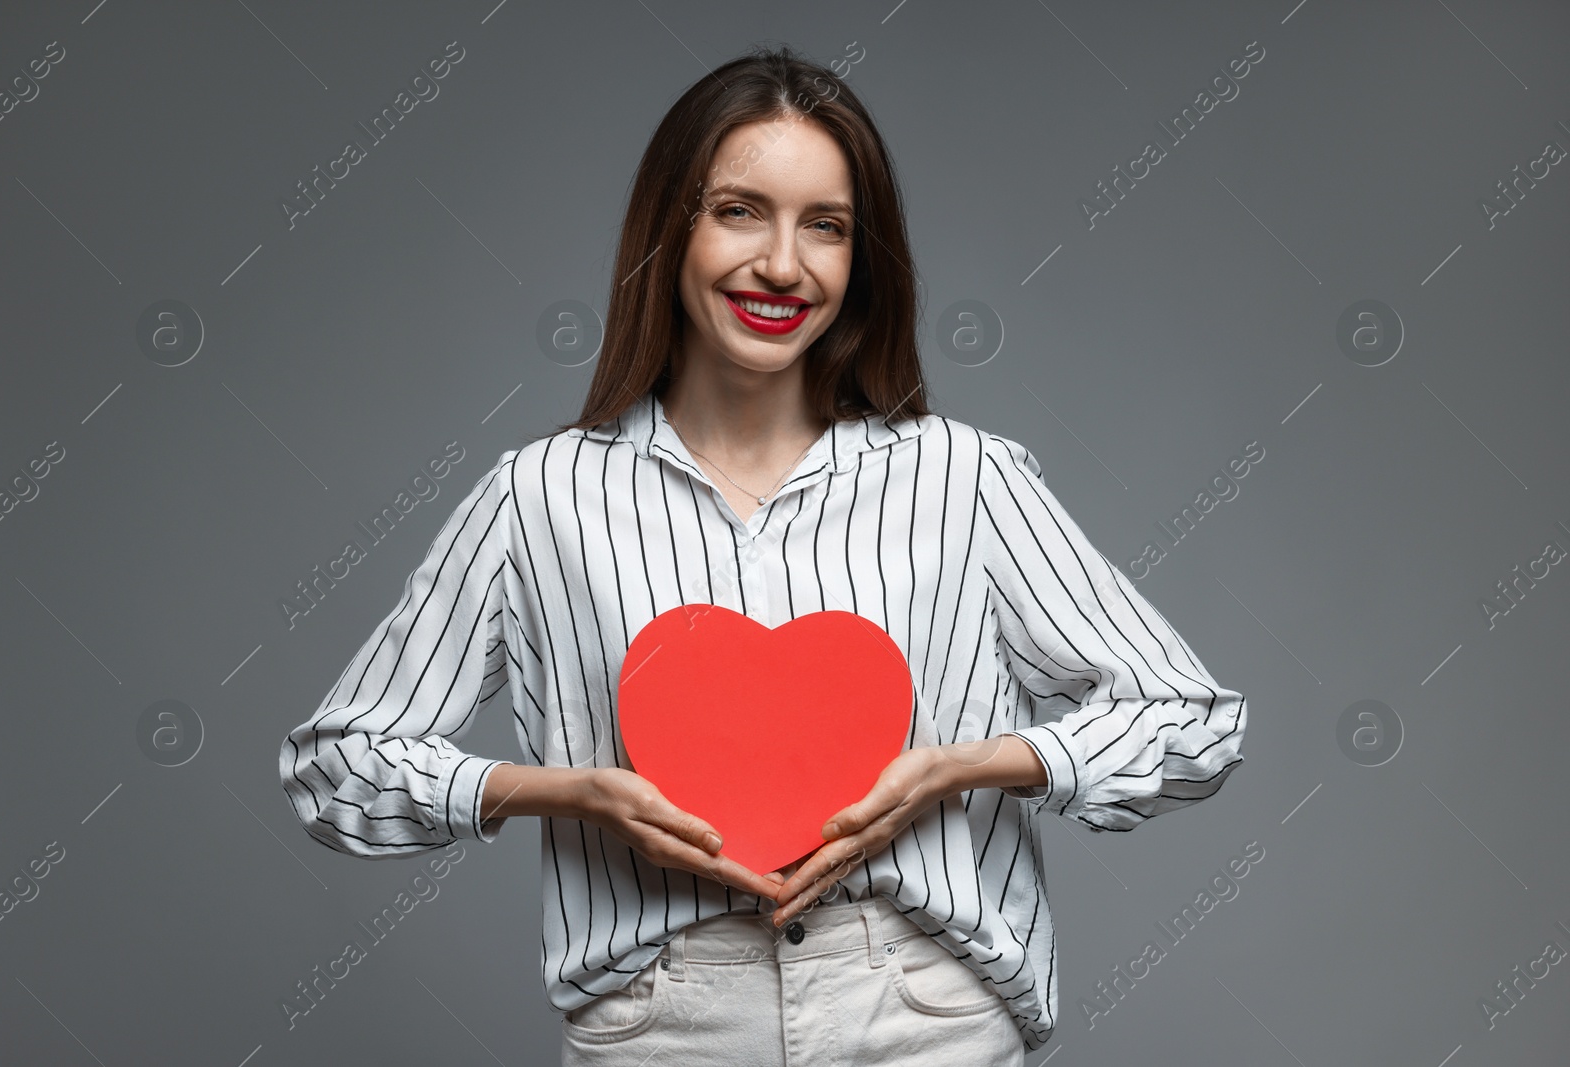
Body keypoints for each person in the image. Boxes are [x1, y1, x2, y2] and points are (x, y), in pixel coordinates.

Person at [278, 45, 1247, 1065]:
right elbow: (335, 766)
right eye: (739, 210)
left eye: (824, 226)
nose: (782, 264)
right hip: (665, 1022)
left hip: (926, 1015)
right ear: (670, 228)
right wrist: (564, 790)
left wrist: (966, 767)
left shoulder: (962, 478)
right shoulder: (541, 496)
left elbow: (1192, 721)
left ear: (858, 259)